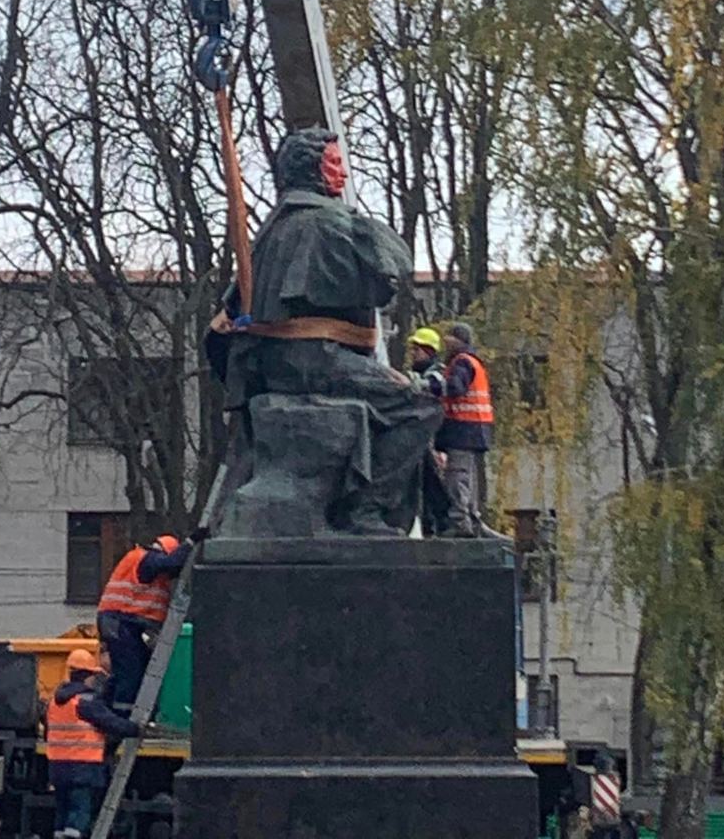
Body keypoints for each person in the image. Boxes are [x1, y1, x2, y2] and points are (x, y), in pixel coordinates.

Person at [207, 127, 441, 536]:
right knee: (418, 405)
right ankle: (366, 509)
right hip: (312, 363)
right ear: (311, 169)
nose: (343, 174)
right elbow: (386, 275)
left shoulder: (271, 231)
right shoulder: (327, 222)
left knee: (399, 393)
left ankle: (453, 516)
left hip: (282, 363)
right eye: (334, 164)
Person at [97, 531, 207, 714]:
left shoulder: (140, 560)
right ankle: (122, 717)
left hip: (119, 622)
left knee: (132, 669)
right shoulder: (148, 559)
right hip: (120, 622)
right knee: (131, 673)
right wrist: (191, 541)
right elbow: (171, 563)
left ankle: (109, 710)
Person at [45, 648, 140, 839]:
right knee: (79, 809)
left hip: (57, 766)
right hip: (82, 767)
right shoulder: (86, 701)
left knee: (62, 809)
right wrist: (135, 729)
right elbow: (110, 722)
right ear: (87, 676)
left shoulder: (55, 701)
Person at [430, 322, 496, 538]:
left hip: (464, 428)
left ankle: (460, 521)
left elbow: (456, 388)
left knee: (457, 475)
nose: (445, 341)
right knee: (468, 477)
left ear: (458, 340)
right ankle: (472, 519)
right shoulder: (472, 361)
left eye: (449, 337)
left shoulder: (462, 362)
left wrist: (432, 386)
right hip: (475, 428)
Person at [407, 327, 449, 536]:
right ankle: (428, 524)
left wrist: (409, 383)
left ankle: (443, 521)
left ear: (429, 351)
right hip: (421, 435)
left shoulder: (438, 373)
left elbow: (435, 387)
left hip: (434, 436)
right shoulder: (418, 373)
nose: (413, 354)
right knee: (422, 482)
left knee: (433, 482)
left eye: (417, 350)